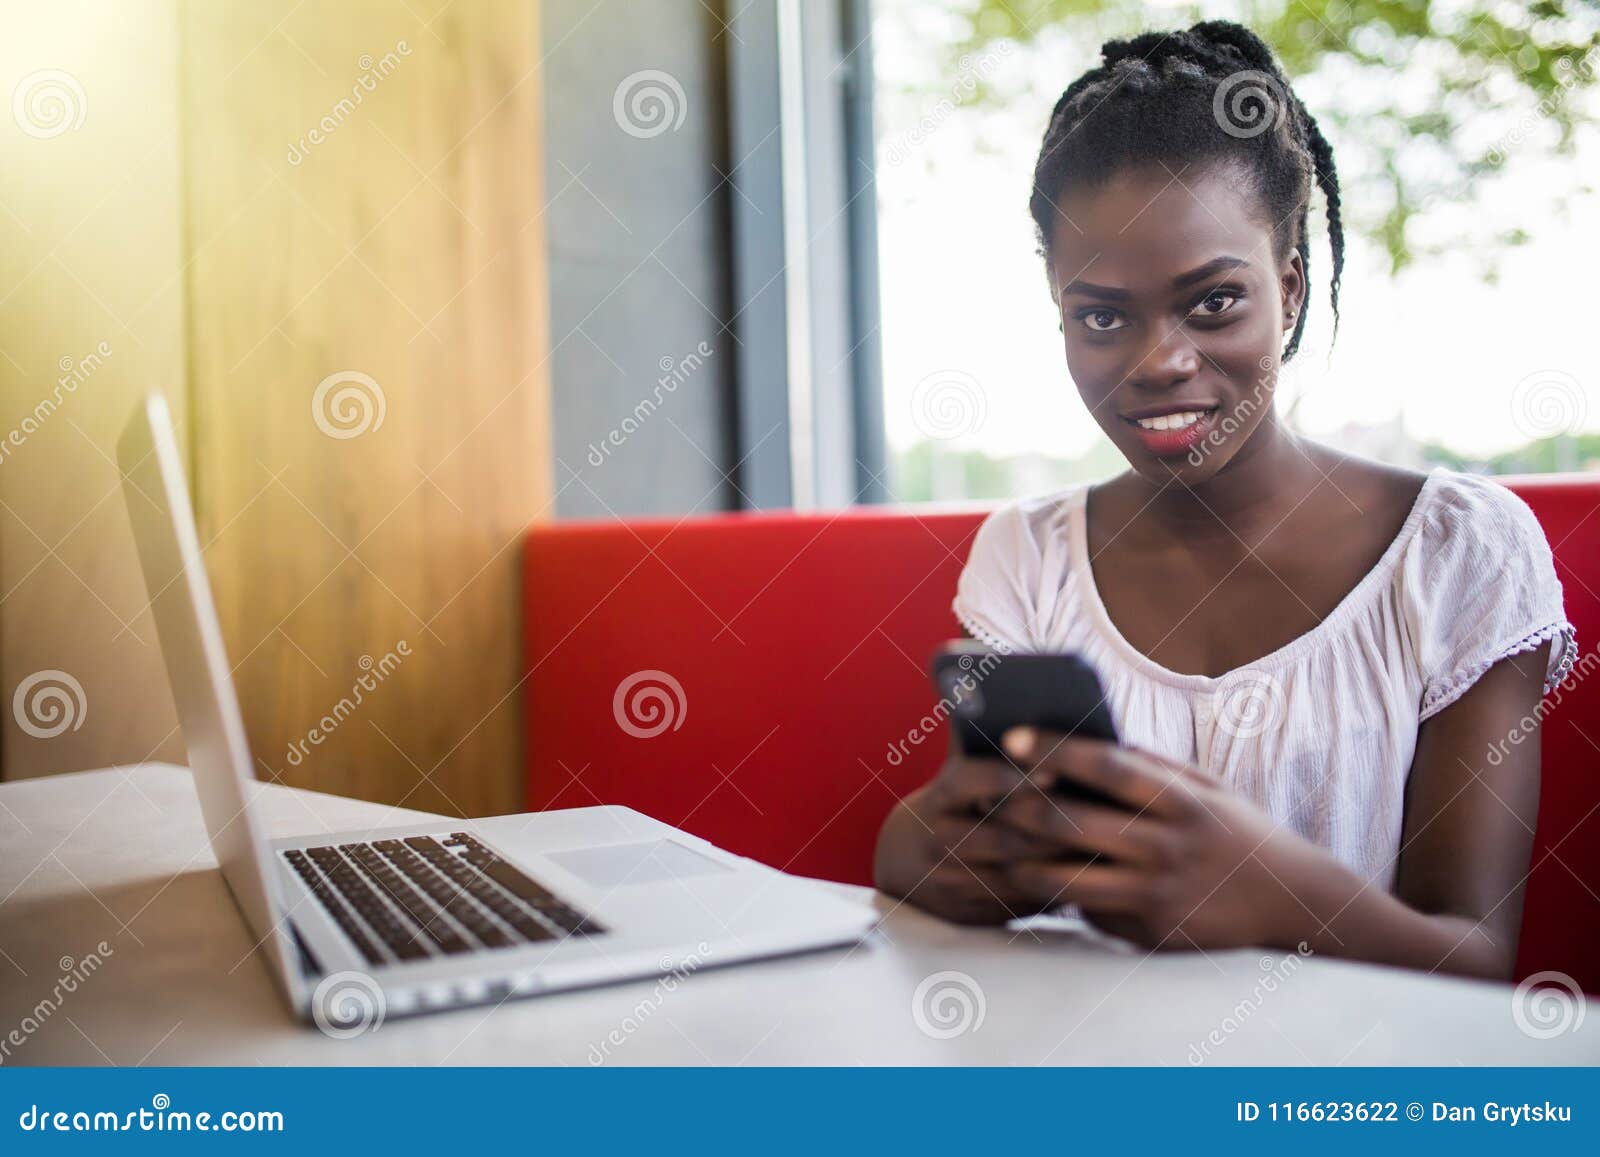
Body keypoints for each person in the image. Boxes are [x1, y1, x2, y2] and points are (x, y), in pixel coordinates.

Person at [872, 20, 1576, 981]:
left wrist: (1271, 894)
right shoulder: (1027, 555)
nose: (1159, 362)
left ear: (1288, 290)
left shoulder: (1462, 551)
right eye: (1102, 316)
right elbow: (974, 854)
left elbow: (1476, 961)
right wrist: (922, 848)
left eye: (1213, 302)